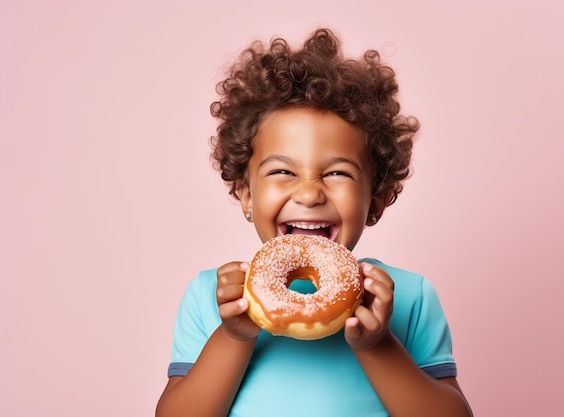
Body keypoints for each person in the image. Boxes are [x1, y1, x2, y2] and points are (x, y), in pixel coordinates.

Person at [156, 28, 473, 417]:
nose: (309, 194)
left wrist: (378, 345)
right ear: (247, 195)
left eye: (338, 174)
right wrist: (234, 335)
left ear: (374, 199)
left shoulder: (406, 297)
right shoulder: (213, 297)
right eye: (282, 172)